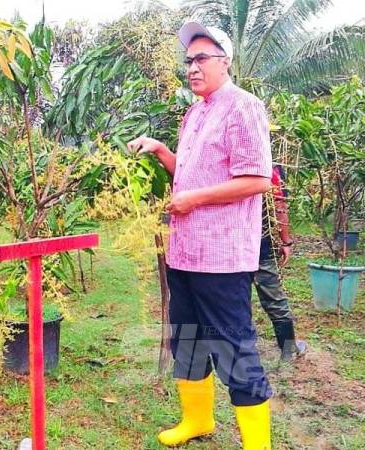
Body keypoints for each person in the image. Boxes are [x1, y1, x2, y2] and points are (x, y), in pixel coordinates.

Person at [128, 22, 273, 449]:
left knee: (233, 348)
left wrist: (192, 201)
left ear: (225, 62)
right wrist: (160, 150)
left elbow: (257, 179)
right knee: (187, 340)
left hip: (223, 257)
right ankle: (197, 420)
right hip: (185, 253)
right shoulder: (195, 113)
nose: (192, 68)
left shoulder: (243, 107)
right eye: (188, 60)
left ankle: (258, 444)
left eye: (202, 59)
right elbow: (190, 174)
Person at [256, 164, 307, 360]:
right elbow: (279, 207)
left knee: (234, 294)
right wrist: (286, 241)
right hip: (260, 242)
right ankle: (288, 350)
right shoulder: (269, 169)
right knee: (274, 298)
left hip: (226, 243)